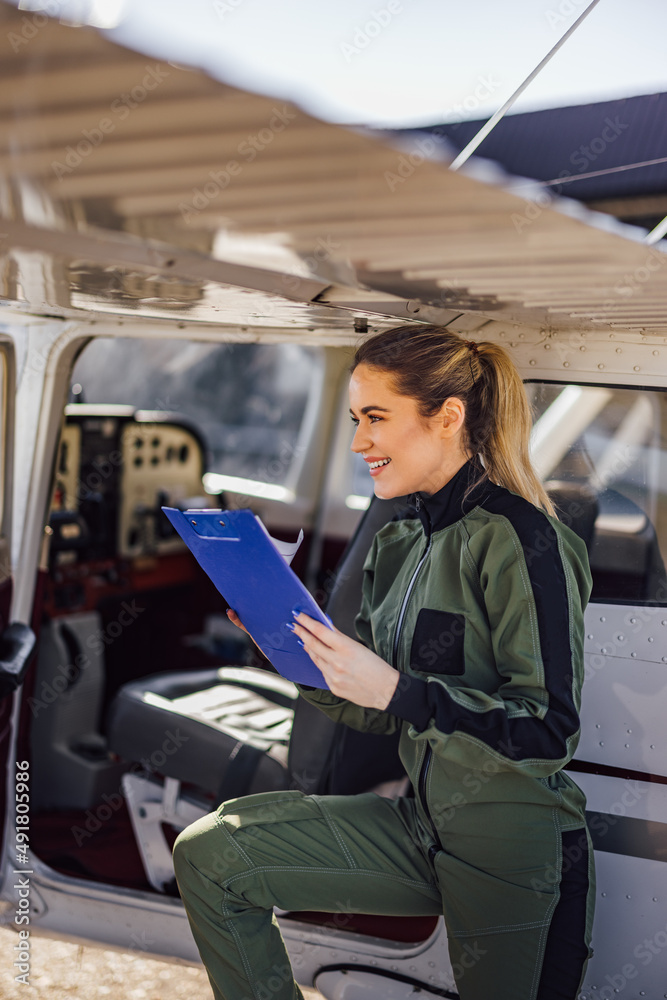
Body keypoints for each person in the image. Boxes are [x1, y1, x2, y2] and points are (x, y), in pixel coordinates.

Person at [173, 325, 595, 1000]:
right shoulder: (398, 540)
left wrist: (400, 691)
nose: (359, 441)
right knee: (212, 853)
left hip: (507, 841)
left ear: (446, 417)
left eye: (375, 418)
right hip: (419, 824)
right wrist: (293, 654)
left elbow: (545, 726)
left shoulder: (523, 539)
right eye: (353, 420)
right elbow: (366, 710)